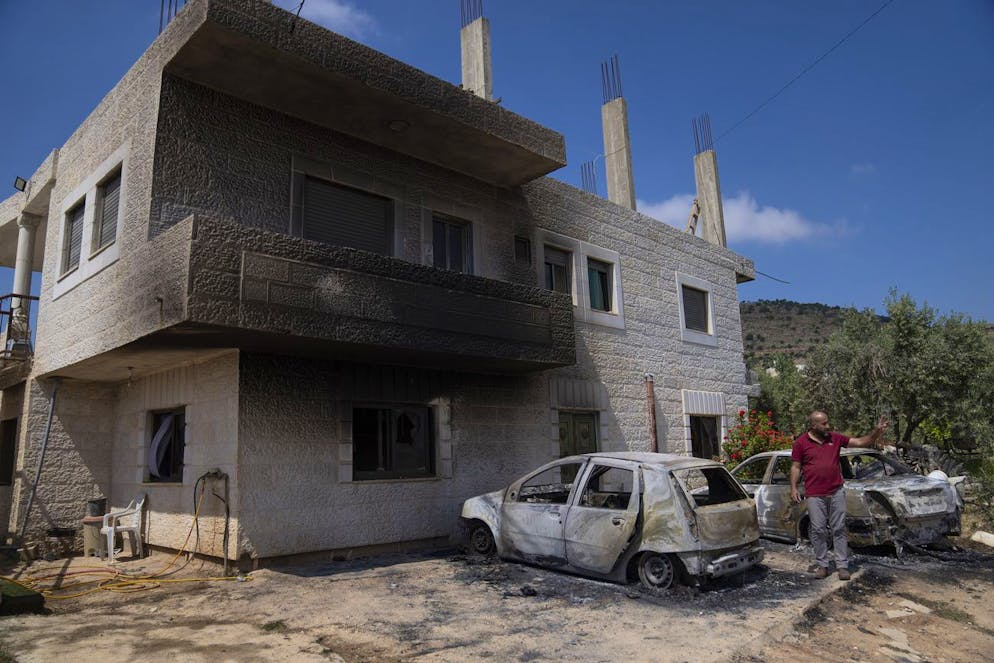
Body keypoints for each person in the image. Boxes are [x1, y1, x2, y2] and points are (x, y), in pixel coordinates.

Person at [790, 411, 889, 580]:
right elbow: (796, 467)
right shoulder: (800, 443)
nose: (828, 426)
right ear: (813, 425)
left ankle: (842, 566)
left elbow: (860, 442)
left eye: (827, 422)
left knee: (839, 528)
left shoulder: (835, 438)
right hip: (814, 494)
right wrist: (793, 488)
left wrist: (877, 431)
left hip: (836, 491)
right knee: (818, 530)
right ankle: (822, 565)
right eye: (824, 424)